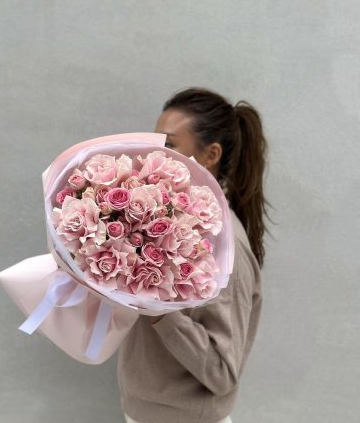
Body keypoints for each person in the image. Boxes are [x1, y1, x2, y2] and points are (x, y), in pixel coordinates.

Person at [117, 87, 274, 423]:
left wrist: (159, 313)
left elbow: (222, 373)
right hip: (139, 411)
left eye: (170, 144)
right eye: (155, 142)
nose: (155, 154)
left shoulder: (225, 246)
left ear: (210, 154)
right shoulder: (162, 221)